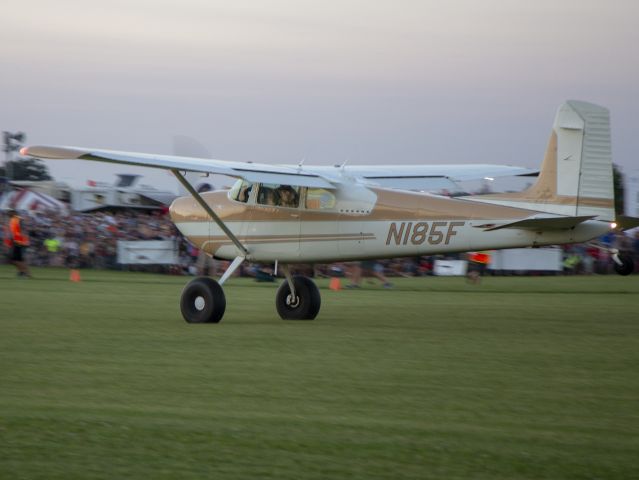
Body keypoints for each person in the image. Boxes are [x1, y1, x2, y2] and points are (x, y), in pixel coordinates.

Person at [6, 209, 32, 278]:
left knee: (15, 259)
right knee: (19, 259)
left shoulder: (16, 220)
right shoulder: (16, 220)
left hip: (19, 242)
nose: (8, 215)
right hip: (19, 241)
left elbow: (18, 232)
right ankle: (25, 273)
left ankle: (23, 273)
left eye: (9, 213)